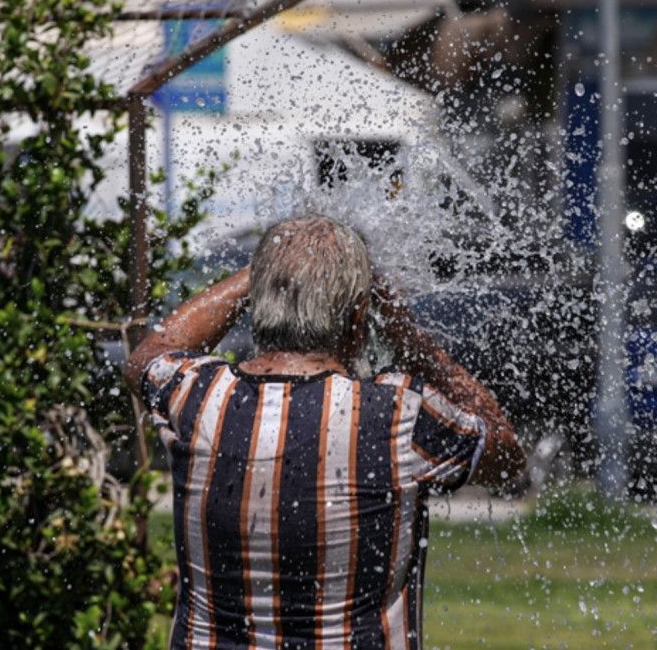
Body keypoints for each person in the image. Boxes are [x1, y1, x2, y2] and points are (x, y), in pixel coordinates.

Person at [124, 214, 524, 650]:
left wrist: (261, 273)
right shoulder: (397, 414)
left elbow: (149, 355)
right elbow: (504, 450)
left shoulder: (200, 399)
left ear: (260, 302)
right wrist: (406, 334)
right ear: (358, 321)